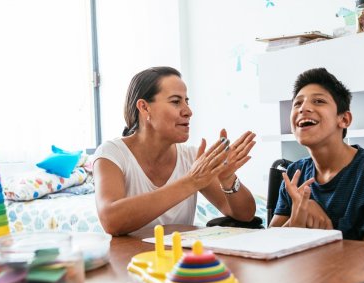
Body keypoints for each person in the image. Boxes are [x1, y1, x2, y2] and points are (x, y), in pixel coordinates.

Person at [92, 66, 257, 236]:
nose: (188, 111)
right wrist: (191, 182)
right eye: (176, 101)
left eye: (187, 101)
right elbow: (111, 220)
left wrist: (228, 179)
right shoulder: (111, 154)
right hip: (131, 261)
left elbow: (245, 215)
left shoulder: (193, 158)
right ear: (144, 107)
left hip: (179, 261)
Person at [270, 67, 364, 238]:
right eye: (297, 103)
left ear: (344, 119)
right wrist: (299, 216)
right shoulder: (294, 174)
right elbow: (272, 241)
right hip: (303, 264)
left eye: (318, 101)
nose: (303, 108)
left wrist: (328, 235)